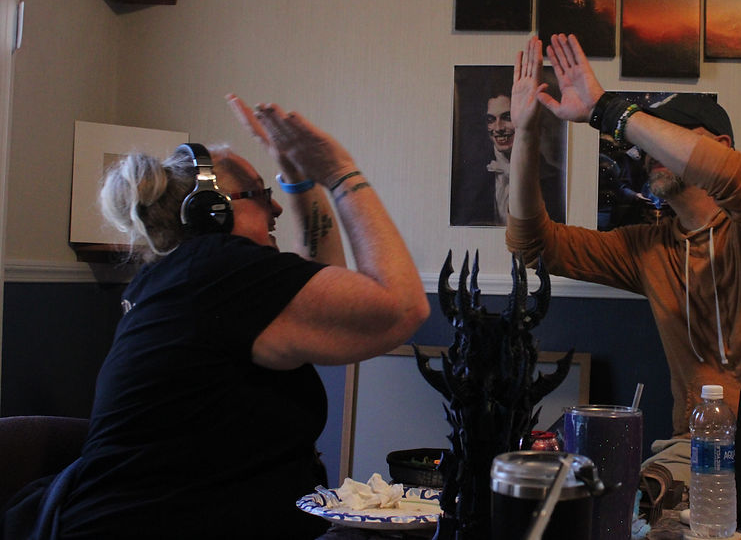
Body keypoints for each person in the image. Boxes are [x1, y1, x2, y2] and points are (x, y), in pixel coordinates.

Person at [1, 95, 430, 539]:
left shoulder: (184, 278)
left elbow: (329, 302)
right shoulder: (218, 270)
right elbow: (401, 308)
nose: (276, 208)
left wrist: (300, 179)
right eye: (261, 194)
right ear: (213, 211)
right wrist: (339, 171)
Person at [505, 34, 741, 481]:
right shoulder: (649, 248)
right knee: (631, 501)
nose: (652, 151)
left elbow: (731, 178)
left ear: (722, 143)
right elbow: (532, 245)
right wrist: (526, 133)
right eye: (649, 140)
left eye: (670, 136)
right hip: (698, 449)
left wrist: (611, 111)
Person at [451, 79, 564, 226]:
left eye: (507, 117)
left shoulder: (555, 180)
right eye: (491, 120)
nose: (498, 128)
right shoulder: (470, 177)